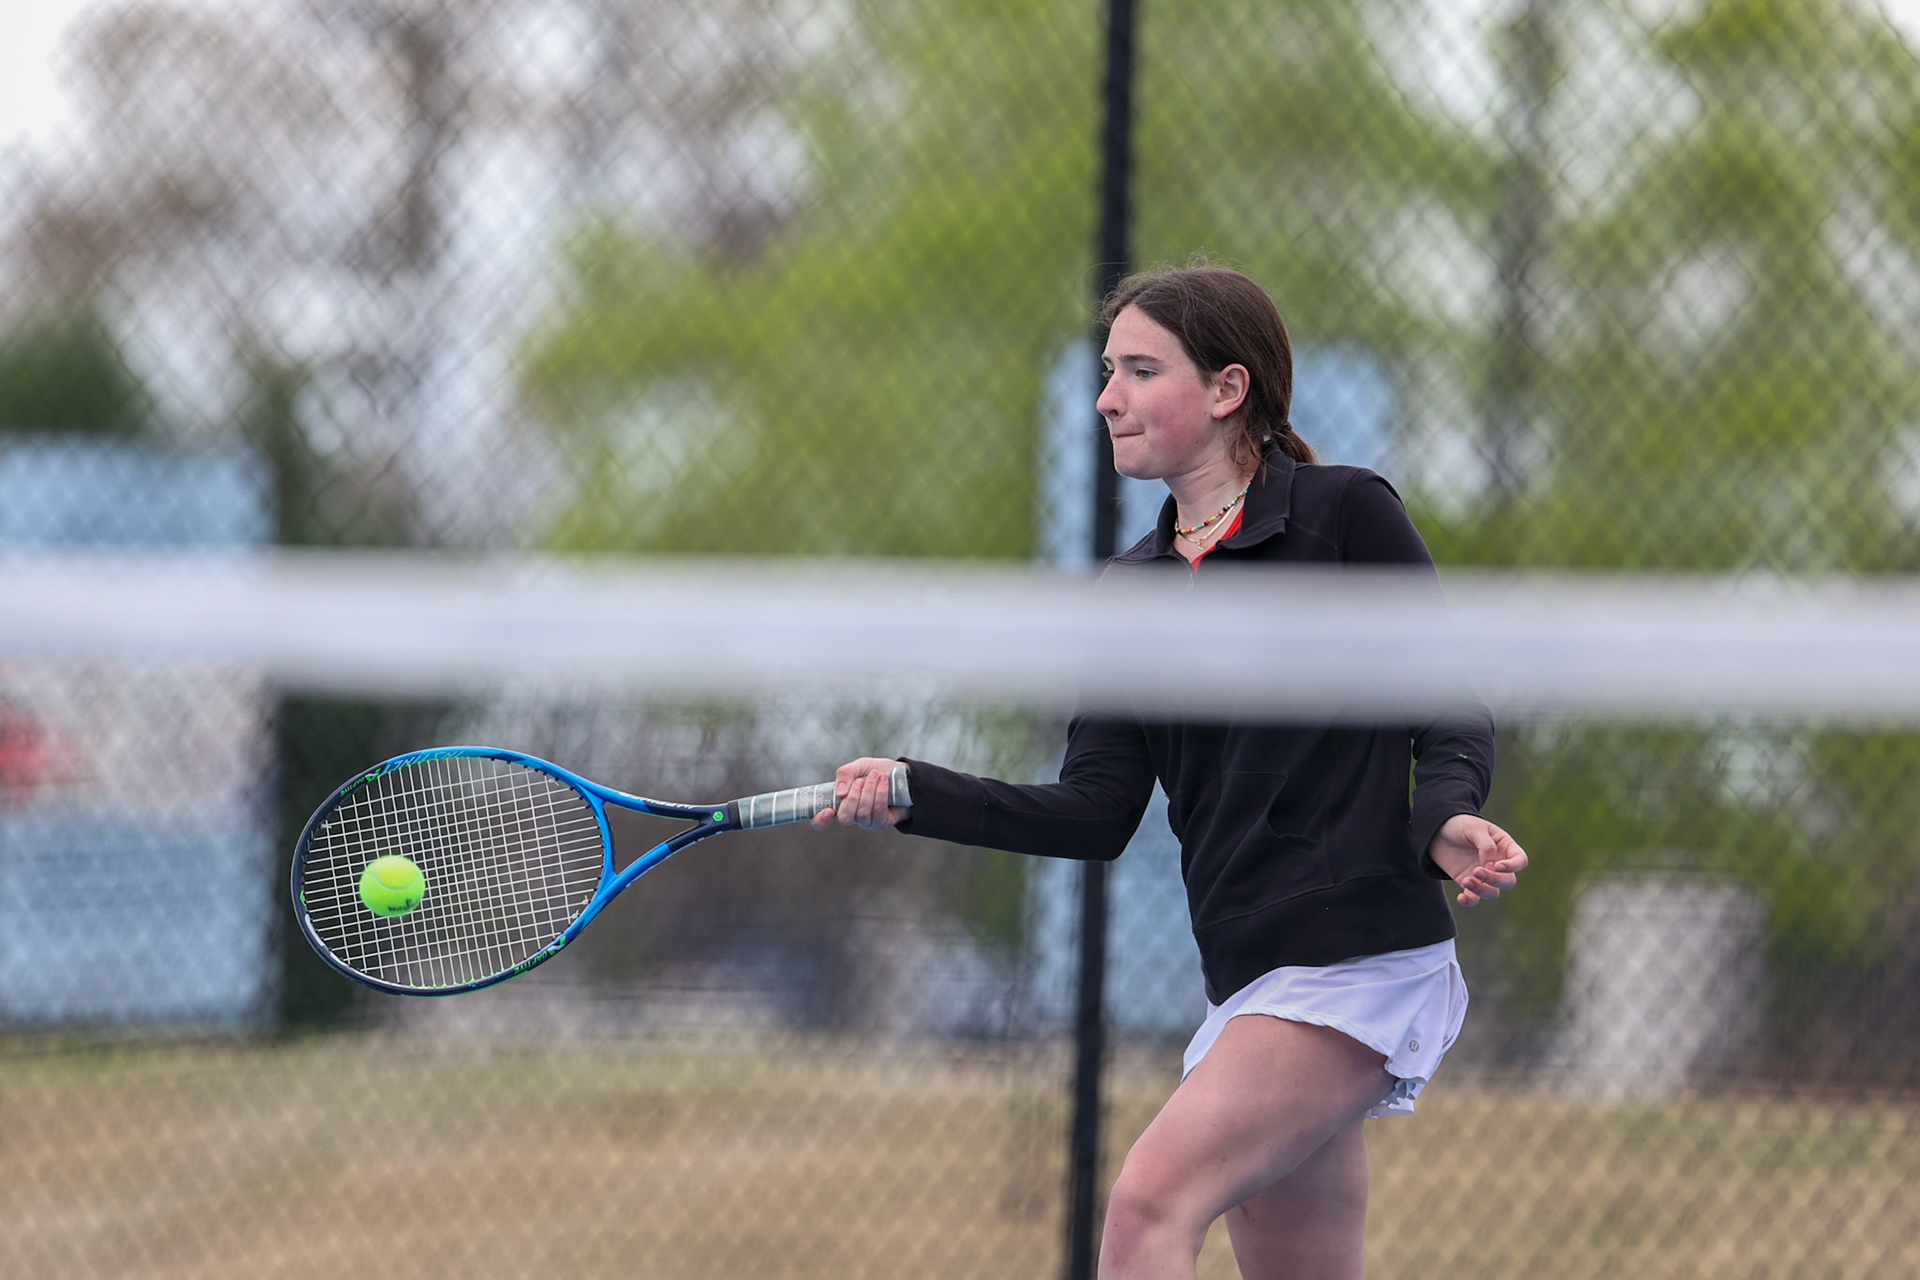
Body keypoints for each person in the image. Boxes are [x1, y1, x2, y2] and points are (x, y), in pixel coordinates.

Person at [811, 262, 1527, 1280]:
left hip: (1352, 954)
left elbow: (1444, 701)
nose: (1108, 396)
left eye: (1141, 369)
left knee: (1147, 1206)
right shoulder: (1130, 594)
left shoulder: (1345, 517)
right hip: (1248, 972)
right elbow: (1097, 811)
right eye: (1108, 371)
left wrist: (1444, 815)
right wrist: (919, 790)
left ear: (1228, 389)